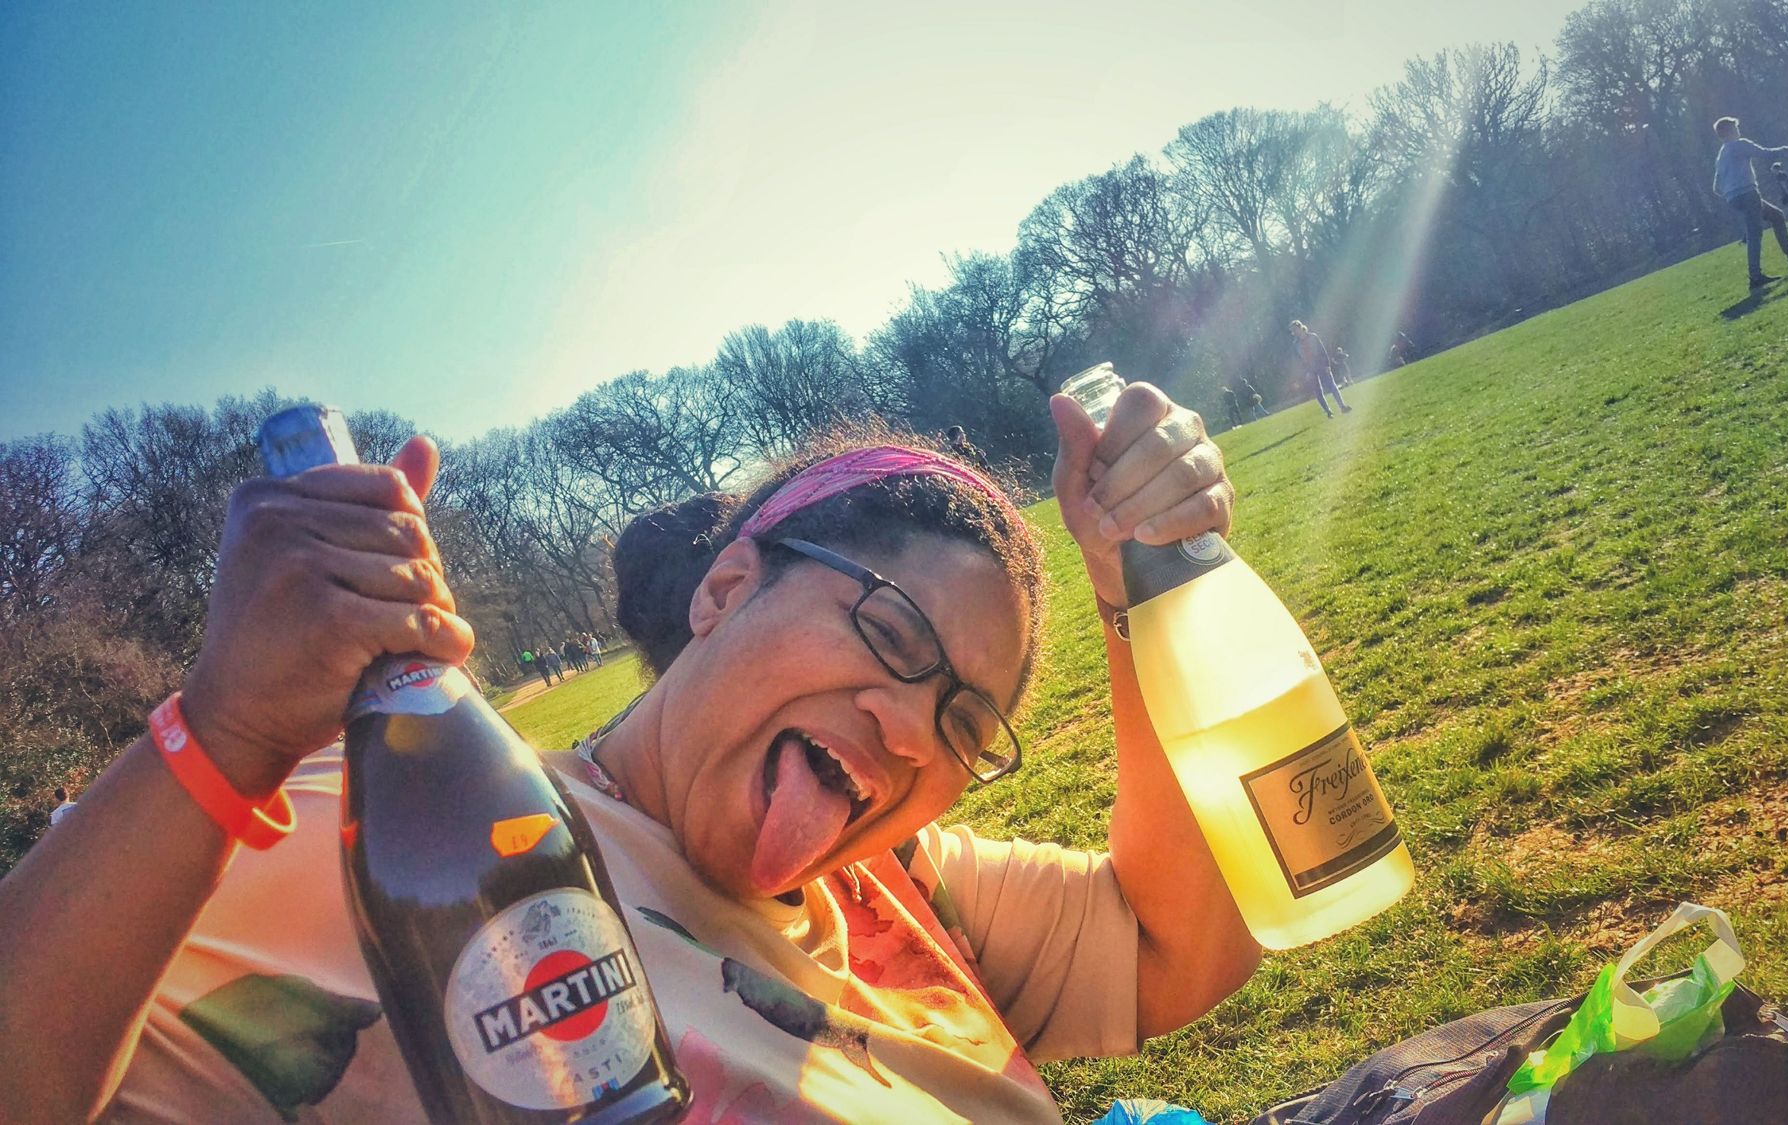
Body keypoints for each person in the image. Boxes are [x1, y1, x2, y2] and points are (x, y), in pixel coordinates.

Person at [0, 386, 1257, 1123]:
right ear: (724, 590)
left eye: (965, 725)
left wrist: (1141, 591)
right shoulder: (391, 829)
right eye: (888, 633)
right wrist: (223, 735)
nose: (911, 733)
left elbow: (1179, 947)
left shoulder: (899, 887)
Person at [1712, 116, 1788, 291]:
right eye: (1736, 128)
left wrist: (1731, 194)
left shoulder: (1721, 155)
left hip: (1734, 198)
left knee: (1777, 216)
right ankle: (1756, 276)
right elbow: (1767, 153)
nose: (1738, 130)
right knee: (1754, 234)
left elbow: (1716, 187)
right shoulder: (1740, 144)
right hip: (1748, 193)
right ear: (1730, 131)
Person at [1289, 320, 1352, 417]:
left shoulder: (1313, 337)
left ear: (1300, 327)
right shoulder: (1296, 344)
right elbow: (1299, 361)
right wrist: (1306, 372)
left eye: (1295, 329)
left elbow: (1323, 351)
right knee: (1318, 391)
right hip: (1310, 369)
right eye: (1293, 331)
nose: (1294, 332)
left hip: (1321, 364)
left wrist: (1327, 365)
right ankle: (1328, 412)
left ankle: (1342, 407)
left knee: (1332, 386)